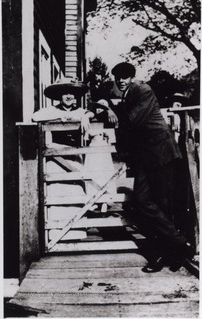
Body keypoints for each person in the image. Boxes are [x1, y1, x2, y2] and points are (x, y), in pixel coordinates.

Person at [110, 62, 194, 272]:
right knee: (142, 200)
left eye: (125, 76)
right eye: (118, 77)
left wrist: (110, 111)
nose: (121, 80)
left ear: (132, 77)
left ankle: (165, 253)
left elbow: (132, 120)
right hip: (146, 158)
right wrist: (103, 104)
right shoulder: (128, 94)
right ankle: (179, 245)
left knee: (162, 204)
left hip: (162, 154)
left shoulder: (142, 89)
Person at [32, 77, 94, 146]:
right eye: (65, 93)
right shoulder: (54, 110)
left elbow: (91, 113)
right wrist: (59, 116)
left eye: (71, 93)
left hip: (75, 151)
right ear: (60, 95)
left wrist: (86, 116)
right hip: (56, 151)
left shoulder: (78, 110)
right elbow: (35, 117)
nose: (68, 97)